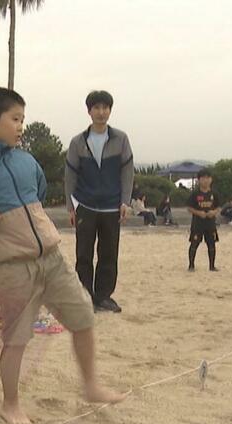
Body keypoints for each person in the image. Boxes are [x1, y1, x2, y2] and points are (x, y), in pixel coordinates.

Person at [0, 87, 125, 424]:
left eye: (23, 119)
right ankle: (10, 404)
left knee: (84, 316)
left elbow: (38, 193)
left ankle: (91, 385)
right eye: (15, 119)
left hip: (52, 259)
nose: (21, 126)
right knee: (16, 339)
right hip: (13, 269)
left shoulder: (26, 160)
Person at [65, 90, 134, 313]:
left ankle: (103, 296)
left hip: (111, 206)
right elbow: (70, 176)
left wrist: (126, 201)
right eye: (97, 108)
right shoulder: (78, 142)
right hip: (85, 205)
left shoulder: (120, 139)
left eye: (105, 108)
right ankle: (85, 296)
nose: (101, 112)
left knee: (108, 253)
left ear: (110, 110)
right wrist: (70, 206)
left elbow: (127, 172)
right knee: (83, 254)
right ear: (89, 111)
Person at [186, 169, 221, 272]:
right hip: (198, 223)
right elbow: (189, 207)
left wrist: (213, 212)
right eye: (203, 178)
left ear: (211, 179)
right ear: (199, 180)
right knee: (194, 243)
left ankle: (212, 266)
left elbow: (219, 207)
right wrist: (198, 213)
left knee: (211, 244)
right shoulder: (195, 193)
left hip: (210, 223)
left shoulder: (214, 193)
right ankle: (191, 265)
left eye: (208, 178)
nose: (205, 180)